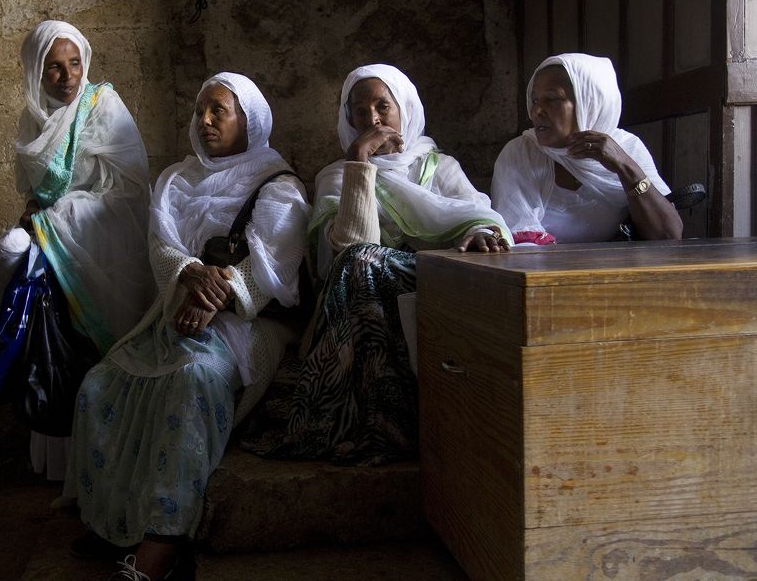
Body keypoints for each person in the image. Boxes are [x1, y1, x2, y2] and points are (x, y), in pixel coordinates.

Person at [61, 72, 310, 580]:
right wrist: (191, 275)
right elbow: (162, 245)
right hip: (178, 309)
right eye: (201, 110)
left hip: (248, 323)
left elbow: (275, 266)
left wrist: (218, 295)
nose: (206, 119)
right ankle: (110, 519)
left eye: (220, 110)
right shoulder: (176, 178)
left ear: (250, 121)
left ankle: (162, 540)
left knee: (193, 379)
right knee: (99, 384)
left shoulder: (279, 184)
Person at [241, 63, 511, 467]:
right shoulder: (337, 175)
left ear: (404, 109)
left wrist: (480, 231)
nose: (373, 119)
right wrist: (360, 163)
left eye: (383, 106)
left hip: (431, 279)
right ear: (347, 119)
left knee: (365, 263)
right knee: (361, 261)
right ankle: (380, 424)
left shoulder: (438, 166)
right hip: (360, 290)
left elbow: (479, 214)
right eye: (359, 110)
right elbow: (354, 243)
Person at [0, 20, 153, 481]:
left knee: (95, 357)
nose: (68, 76)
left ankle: (114, 473)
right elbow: (40, 189)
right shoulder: (33, 117)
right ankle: (68, 476)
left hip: (105, 253)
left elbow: (129, 191)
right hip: (56, 251)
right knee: (55, 355)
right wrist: (37, 210)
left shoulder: (103, 106)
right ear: (36, 73)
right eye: (53, 68)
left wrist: (51, 221)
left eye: (74, 63)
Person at [491, 53, 683, 244]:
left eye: (551, 99)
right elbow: (520, 243)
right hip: (545, 273)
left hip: (621, 271)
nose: (536, 111)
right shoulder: (521, 153)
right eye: (534, 100)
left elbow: (668, 235)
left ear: (589, 101)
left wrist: (624, 166)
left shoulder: (627, 147)